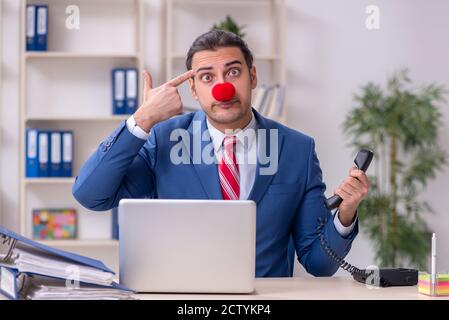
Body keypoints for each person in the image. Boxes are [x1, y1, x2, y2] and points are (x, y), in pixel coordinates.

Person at [72, 29, 369, 277]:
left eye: (233, 72)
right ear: (192, 88)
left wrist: (345, 214)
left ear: (252, 77)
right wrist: (143, 119)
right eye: (206, 77)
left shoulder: (297, 149)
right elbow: (90, 194)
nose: (222, 88)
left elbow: (319, 263)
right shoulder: (165, 140)